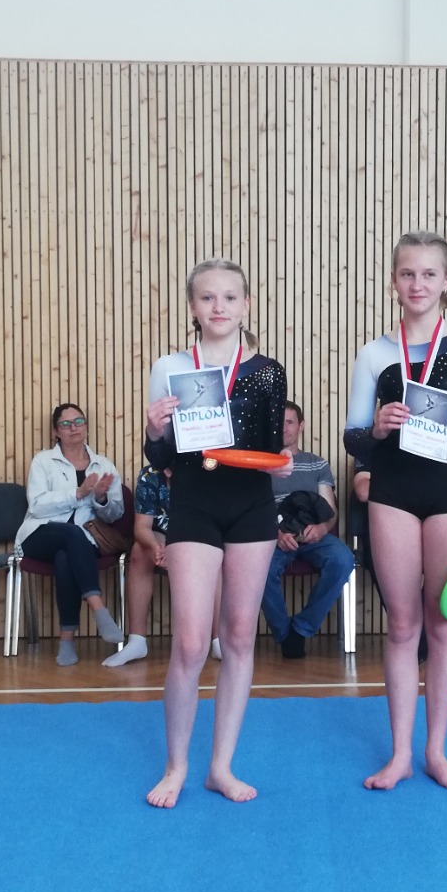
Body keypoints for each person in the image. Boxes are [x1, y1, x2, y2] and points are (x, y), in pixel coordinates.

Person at [344, 230, 447, 792]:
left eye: (429, 274)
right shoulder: (375, 354)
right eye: (408, 273)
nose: (418, 284)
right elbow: (353, 438)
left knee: (443, 623)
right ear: (394, 281)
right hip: (393, 495)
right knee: (402, 625)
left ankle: (436, 751)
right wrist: (376, 430)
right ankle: (399, 755)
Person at [144, 257, 292, 809]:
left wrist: (281, 464)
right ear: (192, 306)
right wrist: (154, 431)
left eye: (229, 297)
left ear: (246, 305)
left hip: (251, 509)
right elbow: (161, 457)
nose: (219, 307)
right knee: (189, 642)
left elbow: (271, 451)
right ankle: (176, 765)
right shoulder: (171, 367)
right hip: (194, 507)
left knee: (238, 637)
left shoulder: (269, 372)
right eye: (207, 297)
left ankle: (221, 766)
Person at [15, 404, 125, 666]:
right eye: (65, 424)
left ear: (86, 426)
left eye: (78, 421)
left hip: (85, 541)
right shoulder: (43, 461)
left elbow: (115, 514)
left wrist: (101, 498)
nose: (73, 427)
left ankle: (66, 641)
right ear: (56, 431)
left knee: (66, 556)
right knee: (71, 534)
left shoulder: (104, 464)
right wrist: (78, 493)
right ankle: (98, 607)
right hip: (40, 533)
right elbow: (37, 505)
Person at [101, 466, 223, 667]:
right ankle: (137, 641)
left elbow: (215, 525)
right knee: (139, 552)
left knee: (216, 555)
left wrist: (179, 550)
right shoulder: (149, 475)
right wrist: (155, 547)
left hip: (199, 538)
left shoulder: (207, 471)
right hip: (160, 538)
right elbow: (142, 527)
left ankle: (219, 640)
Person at [261, 402, 355, 659]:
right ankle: (284, 634)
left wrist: (322, 528)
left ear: (301, 426)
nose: (284, 428)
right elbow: (253, 509)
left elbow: (330, 510)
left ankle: (301, 629)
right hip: (274, 535)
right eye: (279, 422)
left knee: (343, 559)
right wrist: (275, 534)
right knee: (257, 568)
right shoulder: (263, 464)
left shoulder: (316, 464)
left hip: (314, 535)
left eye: (290, 422)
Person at [351, 463, 428, 663]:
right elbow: (363, 491)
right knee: (403, 623)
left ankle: (424, 636)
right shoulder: (373, 448)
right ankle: (414, 638)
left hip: (431, 528)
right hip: (387, 533)